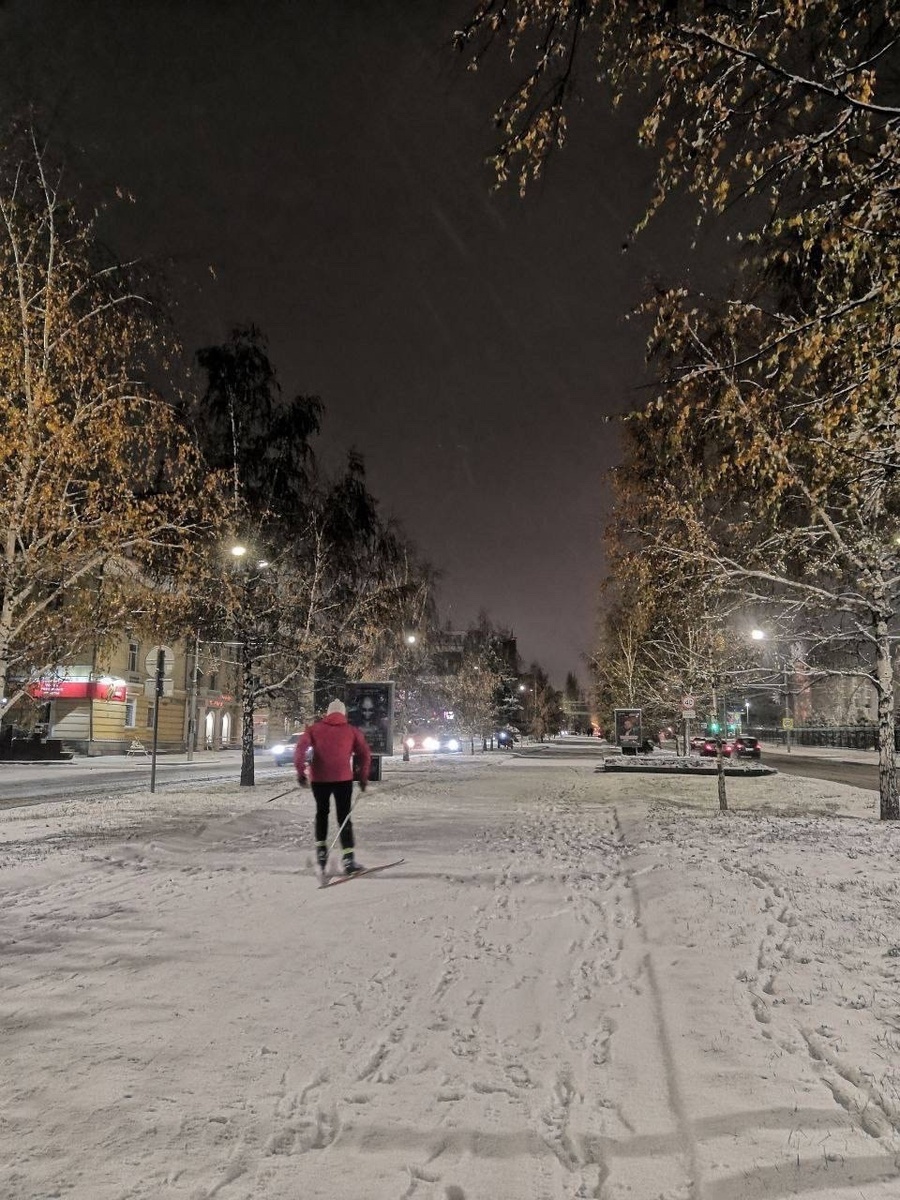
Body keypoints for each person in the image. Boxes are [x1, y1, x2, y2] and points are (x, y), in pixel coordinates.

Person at [295, 699, 372, 878]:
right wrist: (362, 777)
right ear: (343, 713)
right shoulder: (351, 731)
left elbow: (300, 750)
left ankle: (321, 852)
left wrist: (301, 773)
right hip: (343, 779)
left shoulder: (314, 730)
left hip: (319, 779)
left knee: (322, 813)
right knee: (344, 817)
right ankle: (349, 859)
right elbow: (365, 754)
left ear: (328, 713)